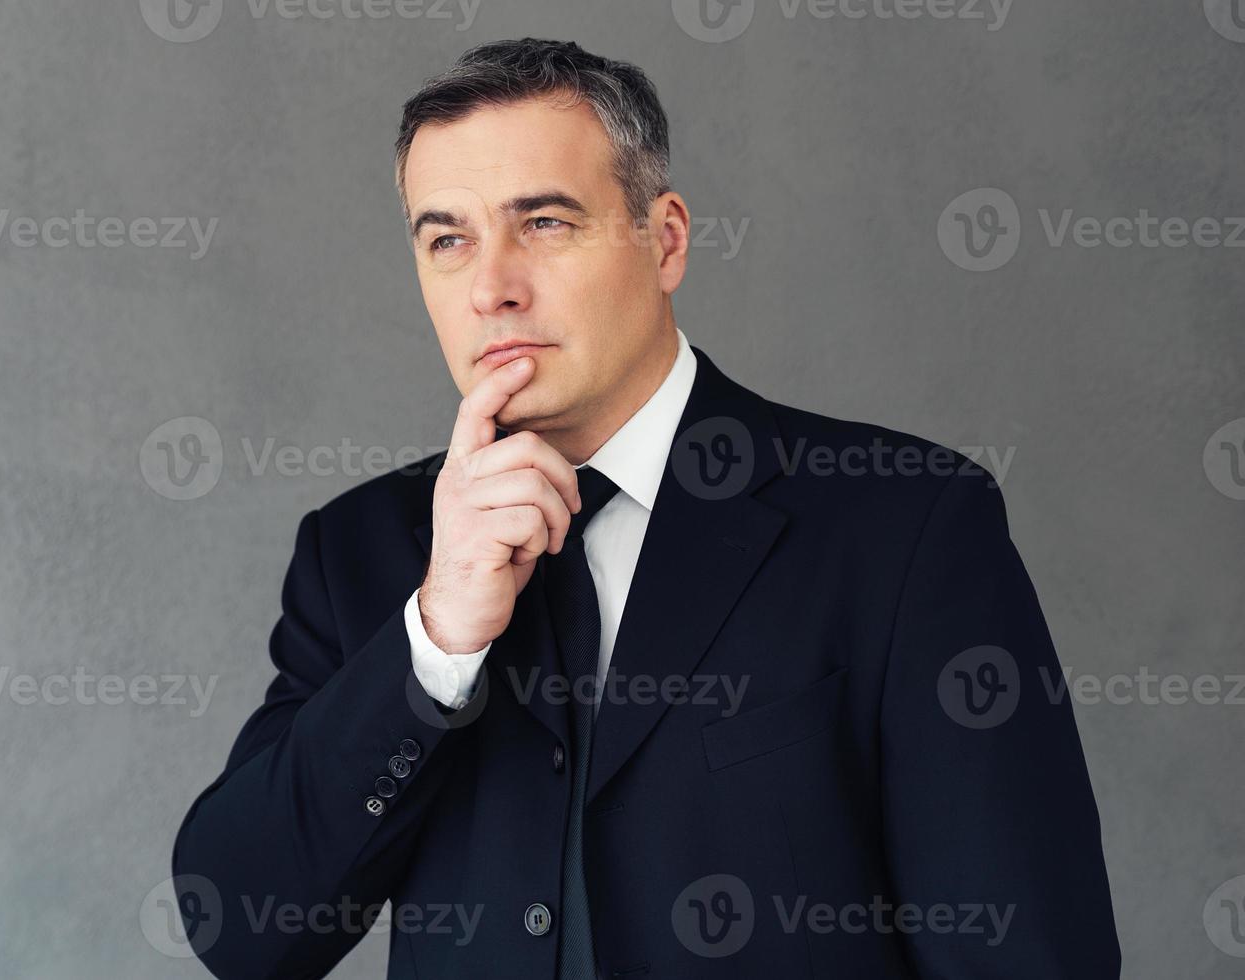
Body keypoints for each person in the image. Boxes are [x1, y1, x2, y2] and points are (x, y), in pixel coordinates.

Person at [171, 37, 1120, 979]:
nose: (491, 288)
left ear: (663, 240)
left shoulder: (904, 526)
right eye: (447, 238)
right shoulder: (361, 552)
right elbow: (245, 931)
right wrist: (436, 641)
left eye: (542, 222)